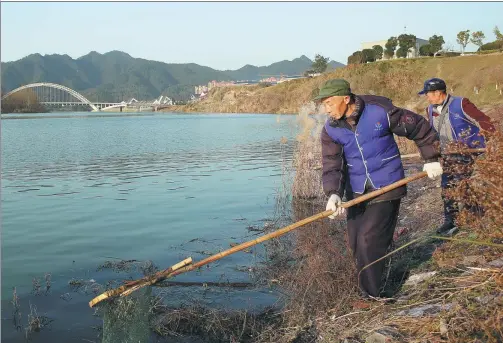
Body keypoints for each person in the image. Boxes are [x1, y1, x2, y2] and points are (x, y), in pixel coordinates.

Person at [312, 79, 442, 298]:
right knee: (356, 243)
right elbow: (332, 163)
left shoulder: (380, 111)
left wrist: (431, 157)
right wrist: (333, 193)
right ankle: (375, 281)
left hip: (388, 184)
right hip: (357, 191)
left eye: (329, 103)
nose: (326, 109)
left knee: (368, 240)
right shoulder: (330, 129)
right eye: (323, 104)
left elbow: (418, 126)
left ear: (345, 99)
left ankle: (374, 296)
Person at [418, 78, 496, 234]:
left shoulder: (461, 104)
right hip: (448, 156)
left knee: (465, 186)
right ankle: (451, 221)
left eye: (428, 94)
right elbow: (430, 134)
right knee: (447, 188)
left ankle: (476, 218)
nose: (427, 97)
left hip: (469, 153)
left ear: (438, 92)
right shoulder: (430, 110)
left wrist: (493, 142)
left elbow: (483, 121)